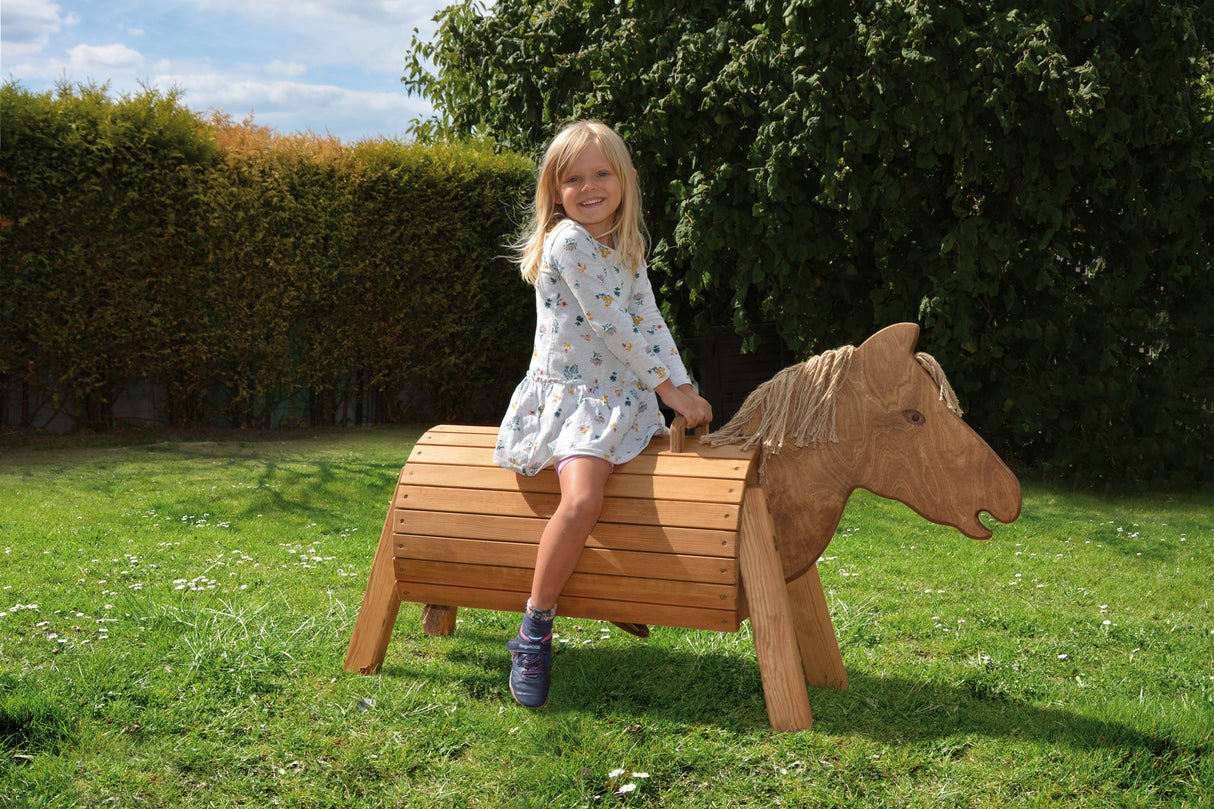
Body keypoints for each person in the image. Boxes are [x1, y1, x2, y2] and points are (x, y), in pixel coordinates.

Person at [493, 120, 712, 708]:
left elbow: (650, 322)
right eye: (573, 179)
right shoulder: (568, 243)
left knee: (645, 492)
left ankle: (610, 592)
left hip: (625, 399)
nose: (588, 188)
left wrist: (686, 386)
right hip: (576, 403)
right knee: (585, 500)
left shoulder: (626, 246)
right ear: (554, 190)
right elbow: (612, 327)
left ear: (626, 180)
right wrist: (671, 393)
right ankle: (534, 631)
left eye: (601, 174)